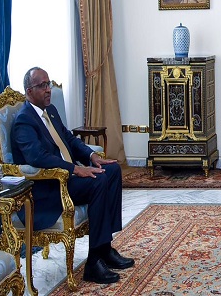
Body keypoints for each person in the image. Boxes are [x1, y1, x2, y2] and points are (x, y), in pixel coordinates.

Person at [11, 67, 134, 284]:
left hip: (68, 179)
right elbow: (37, 157)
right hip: (50, 188)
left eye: (49, 84)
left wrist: (91, 156)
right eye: (42, 86)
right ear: (29, 91)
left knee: (113, 170)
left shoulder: (50, 111)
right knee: (99, 181)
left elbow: (69, 139)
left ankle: (105, 248)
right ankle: (93, 263)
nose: (48, 90)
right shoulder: (24, 121)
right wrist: (76, 169)